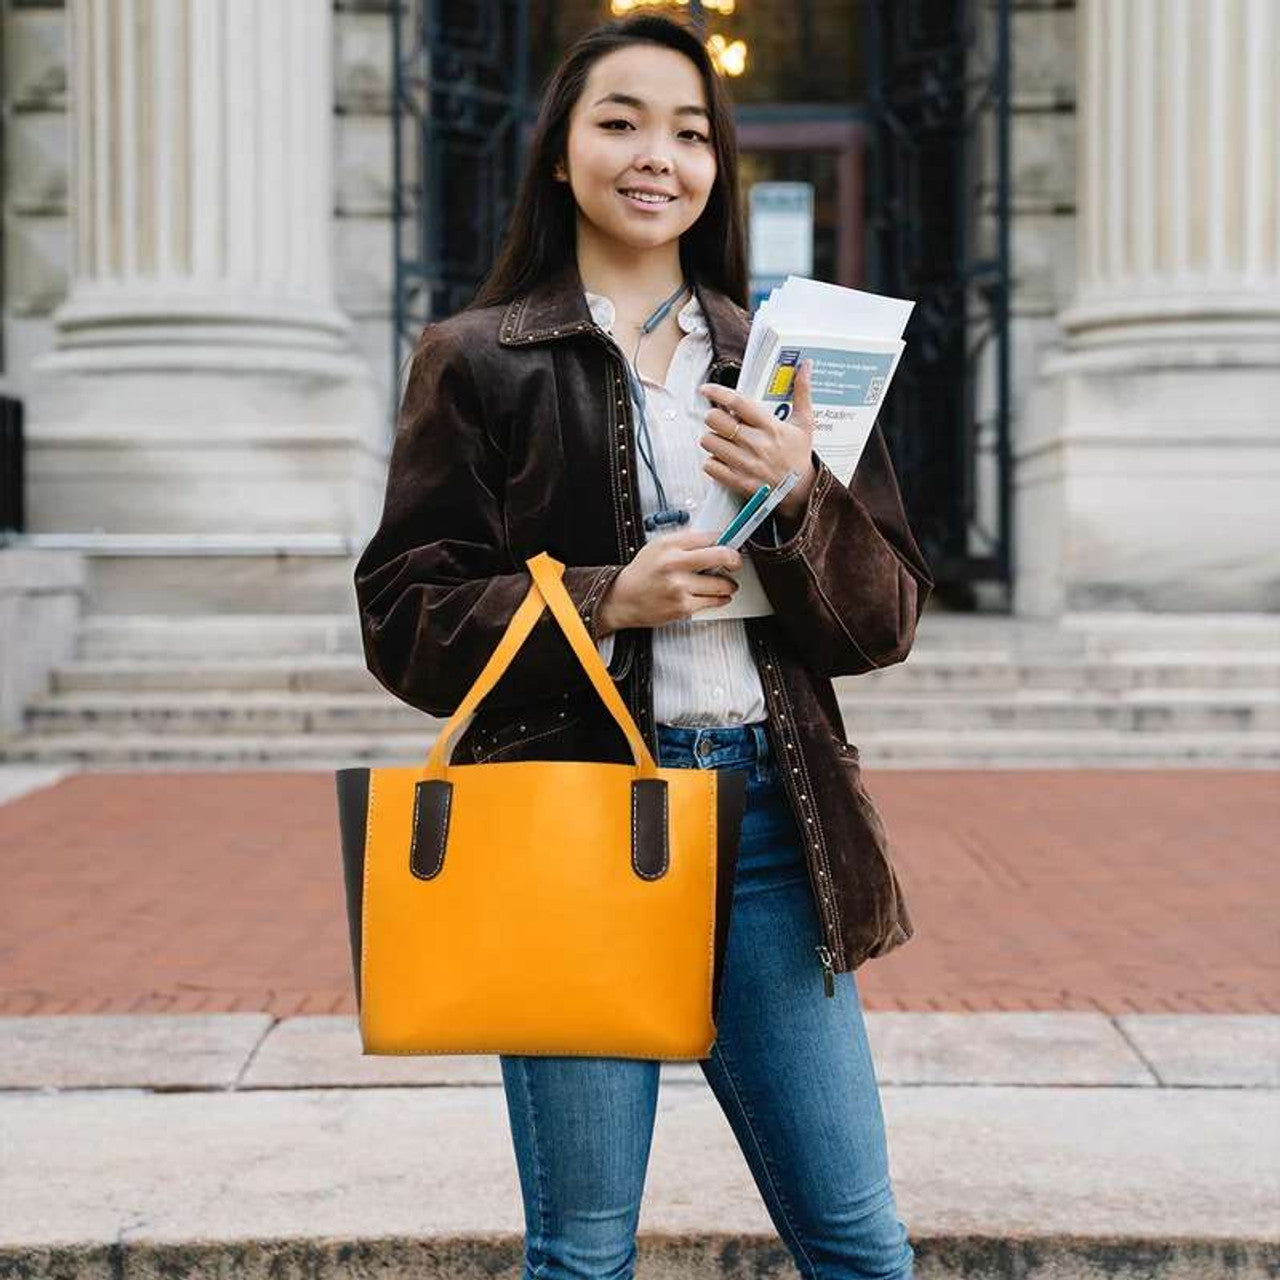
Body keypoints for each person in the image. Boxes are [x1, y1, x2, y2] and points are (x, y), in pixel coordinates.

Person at [355, 13, 928, 1278]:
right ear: (559, 154)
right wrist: (606, 598)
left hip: (777, 824)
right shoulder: (476, 362)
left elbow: (883, 616)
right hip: (576, 820)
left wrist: (801, 493)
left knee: (860, 1243)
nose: (653, 154)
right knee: (582, 1252)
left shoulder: (789, 363)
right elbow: (402, 611)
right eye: (617, 121)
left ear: (716, 164)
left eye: (687, 130)